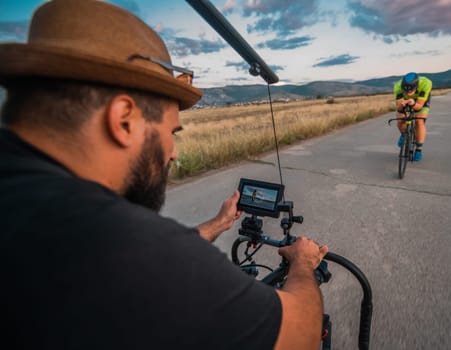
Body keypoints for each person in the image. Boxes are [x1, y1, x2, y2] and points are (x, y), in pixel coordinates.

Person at [0, 1, 328, 349]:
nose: (174, 152)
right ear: (124, 119)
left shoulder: (27, 202)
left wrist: (216, 225)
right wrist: (303, 265)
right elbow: (301, 336)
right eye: (171, 133)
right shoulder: (112, 242)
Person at [393, 72, 433, 161]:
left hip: (420, 100)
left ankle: (419, 149)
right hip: (406, 100)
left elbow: (419, 106)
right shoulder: (398, 86)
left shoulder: (425, 83)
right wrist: (402, 105)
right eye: (406, 90)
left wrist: (413, 103)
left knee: (419, 121)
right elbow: (399, 109)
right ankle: (404, 135)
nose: (408, 92)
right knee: (400, 119)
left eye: (410, 90)